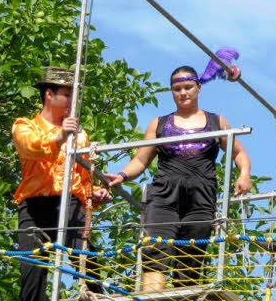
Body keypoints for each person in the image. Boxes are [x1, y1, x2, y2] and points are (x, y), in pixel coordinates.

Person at [104, 61, 253, 292]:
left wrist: (244, 174)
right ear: (172, 92)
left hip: (200, 199)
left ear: (198, 88)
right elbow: (141, 160)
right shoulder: (159, 124)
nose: (183, 93)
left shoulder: (217, 122)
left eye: (188, 87)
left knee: (192, 260)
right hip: (164, 197)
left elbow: (239, 152)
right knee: (156, 253)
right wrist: (122, 175)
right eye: (177, 89)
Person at [12, 66, 111, 301]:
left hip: (70, 205)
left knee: (87, 261)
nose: (70, 101)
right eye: (66, 94)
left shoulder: (80, 135)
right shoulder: (25, 125)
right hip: (35, 205)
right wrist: (58, 136)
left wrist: (94, 194)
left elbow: (82, 180)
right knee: (32, 270)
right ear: (49, 94)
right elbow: (30, 146)